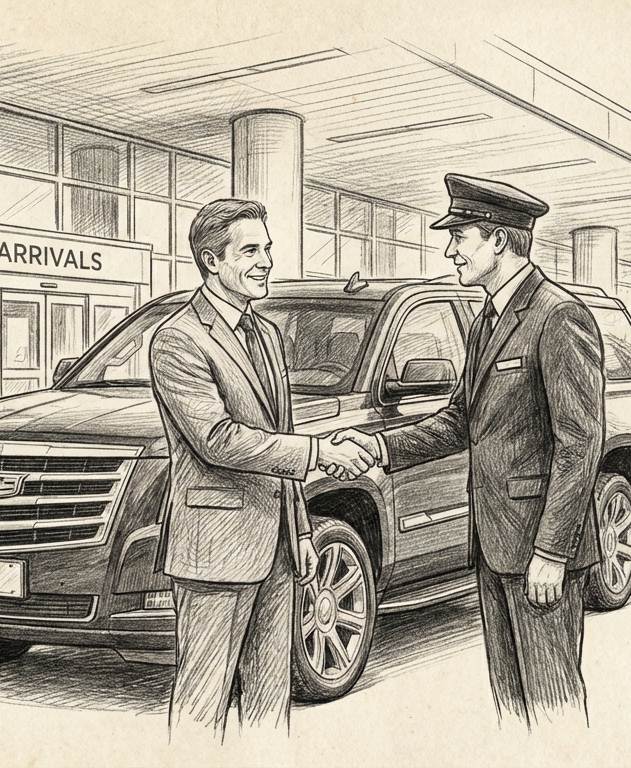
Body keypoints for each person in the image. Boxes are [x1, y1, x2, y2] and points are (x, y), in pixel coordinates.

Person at [333, 174, 605, 728]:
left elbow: (580, 444)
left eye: (461, 236)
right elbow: (461, 422)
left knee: (553, 704)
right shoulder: (485, 320)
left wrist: (551, 552)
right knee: (511, 702)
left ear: (499, 241)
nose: (450, 249)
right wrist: (376, 446)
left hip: (538, 551)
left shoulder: (558, 316)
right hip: (494, 543)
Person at [149, 198, 375, 741]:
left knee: (270, 702)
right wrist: (319, 453)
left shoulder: (268, 335)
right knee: (203, 701)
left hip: (277, 546)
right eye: (251, 250)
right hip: (216, 549)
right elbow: (217, 440)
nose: (266, 261)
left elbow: (273, 436)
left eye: (267, 249)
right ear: (211, 261)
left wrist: (299, 531)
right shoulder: (177, 339)